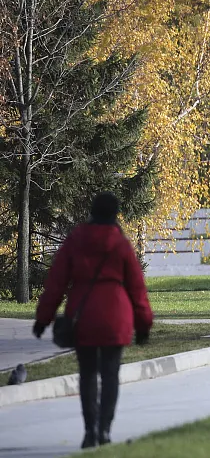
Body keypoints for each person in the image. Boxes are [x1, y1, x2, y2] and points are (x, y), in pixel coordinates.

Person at [33, 192, 153, 449]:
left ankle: (90, 431)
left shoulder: (76, 240)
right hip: (115, 315)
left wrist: (43, 318)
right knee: (110, 374)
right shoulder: (121, 244)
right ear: (114, 214)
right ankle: (105, 430)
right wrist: (143, 324)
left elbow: (56, 282)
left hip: (83, 315)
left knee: (87, 374)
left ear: (92, 210)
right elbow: (137, 288)